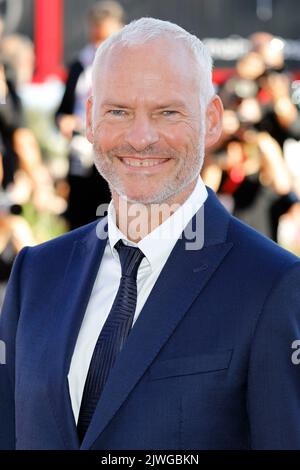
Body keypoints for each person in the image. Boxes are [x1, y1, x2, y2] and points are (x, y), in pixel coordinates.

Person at [1, 17, 300, 450]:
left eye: (167, 112)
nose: (141, 138)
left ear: (211, 120)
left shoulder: (272, 285)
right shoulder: (36, 274)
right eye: (118, 111)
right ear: (89, 119)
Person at [55, 1, 125, 229]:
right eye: (96, 37)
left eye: (104, 38)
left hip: (116, 151)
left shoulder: (129, 64)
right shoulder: (80, 64)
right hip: (81, 150)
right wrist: (65, 122)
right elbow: (63, 110)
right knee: (80, 214)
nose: (98, 45)